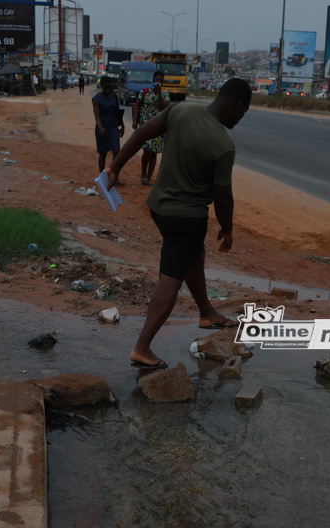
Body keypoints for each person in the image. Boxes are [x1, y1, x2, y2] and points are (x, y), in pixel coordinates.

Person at [105, 78, 252, 369]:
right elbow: (223, 198)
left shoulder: (180, 110)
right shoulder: (223, 145)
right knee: (170, 279)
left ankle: (207, 312)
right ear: (237, 106)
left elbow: (142, 133)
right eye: (243, 112)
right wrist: (227, 228)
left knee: (194, 255)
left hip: (159, 207)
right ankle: (142, 348)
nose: (241, 118)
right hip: (186, 216)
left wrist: (115, 167)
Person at [131, 70, 171, 186]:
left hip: (159, 127)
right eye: (157, 80)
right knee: (147, 150)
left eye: (161, 81)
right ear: (153, 80)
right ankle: (143, 173)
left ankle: (149, 177)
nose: (159, 82)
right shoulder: (144, 91)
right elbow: (137, 106)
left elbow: (166, 108)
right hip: (146, 126)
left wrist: (159, 94)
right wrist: (134, 120)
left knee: (154, 152)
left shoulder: (165, 94)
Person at [92, 76, 125, 174]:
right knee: (103, 154)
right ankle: (102, 176)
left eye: (110, 88)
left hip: (113, 127)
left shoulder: (114, 96)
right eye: (106, 88)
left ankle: (114, 175)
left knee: (116, 151)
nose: (108, 90)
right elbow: (97, 115)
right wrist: (100, 127)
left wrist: (122, 125)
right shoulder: (96, 99)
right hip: (102, 129)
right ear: (101, 86)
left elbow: (117, 112)